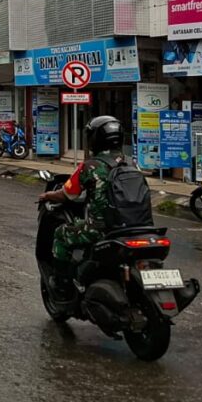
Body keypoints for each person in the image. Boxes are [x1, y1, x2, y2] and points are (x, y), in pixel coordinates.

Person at [37, 115, 125, 284]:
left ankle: (61, 284)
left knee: (60, 235)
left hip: (101, 229)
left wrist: (47, 195)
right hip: (135, 228)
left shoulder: (90, 166)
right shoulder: (131, 164)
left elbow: (67, 194)